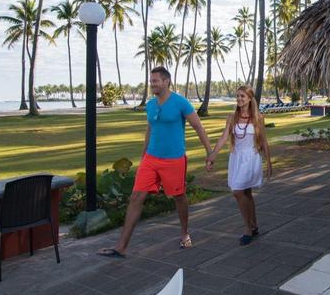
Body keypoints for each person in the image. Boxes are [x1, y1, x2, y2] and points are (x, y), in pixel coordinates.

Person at [99, 66, 212, 258]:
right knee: (136, 197)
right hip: (151, 159)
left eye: (155, 81)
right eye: (151, 81)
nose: (152, 84)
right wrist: (144, 156)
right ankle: (121, 246)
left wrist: (209, 152)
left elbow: (198, 126)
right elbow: (150, 130)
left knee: (179, 197)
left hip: (174, 159)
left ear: (166, 81)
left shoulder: (180, 102)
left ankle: (184, 233)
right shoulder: (151, 105)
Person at [206, 85, 272, 246]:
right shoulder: (232, 117)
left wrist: (269, 162)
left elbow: (263, 141)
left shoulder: (258, 117)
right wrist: (213, 154)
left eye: (242, 96)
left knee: (237, 191)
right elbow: (224, 137)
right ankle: (254, 226)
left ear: (250, 98)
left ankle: (248, 229)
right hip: (236, 157)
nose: (239, 99)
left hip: (251, 158)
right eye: (237, 96)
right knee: (246, 193)